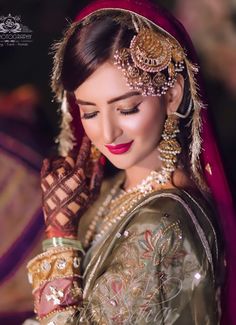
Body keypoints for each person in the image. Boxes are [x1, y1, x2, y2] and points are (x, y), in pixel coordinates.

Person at [26, 0, 236, 324]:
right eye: (91, 112)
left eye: (127, 109)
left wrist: (59, 234)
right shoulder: (113, 190)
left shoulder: (163, 224)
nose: (107, 132)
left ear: (171, 95)